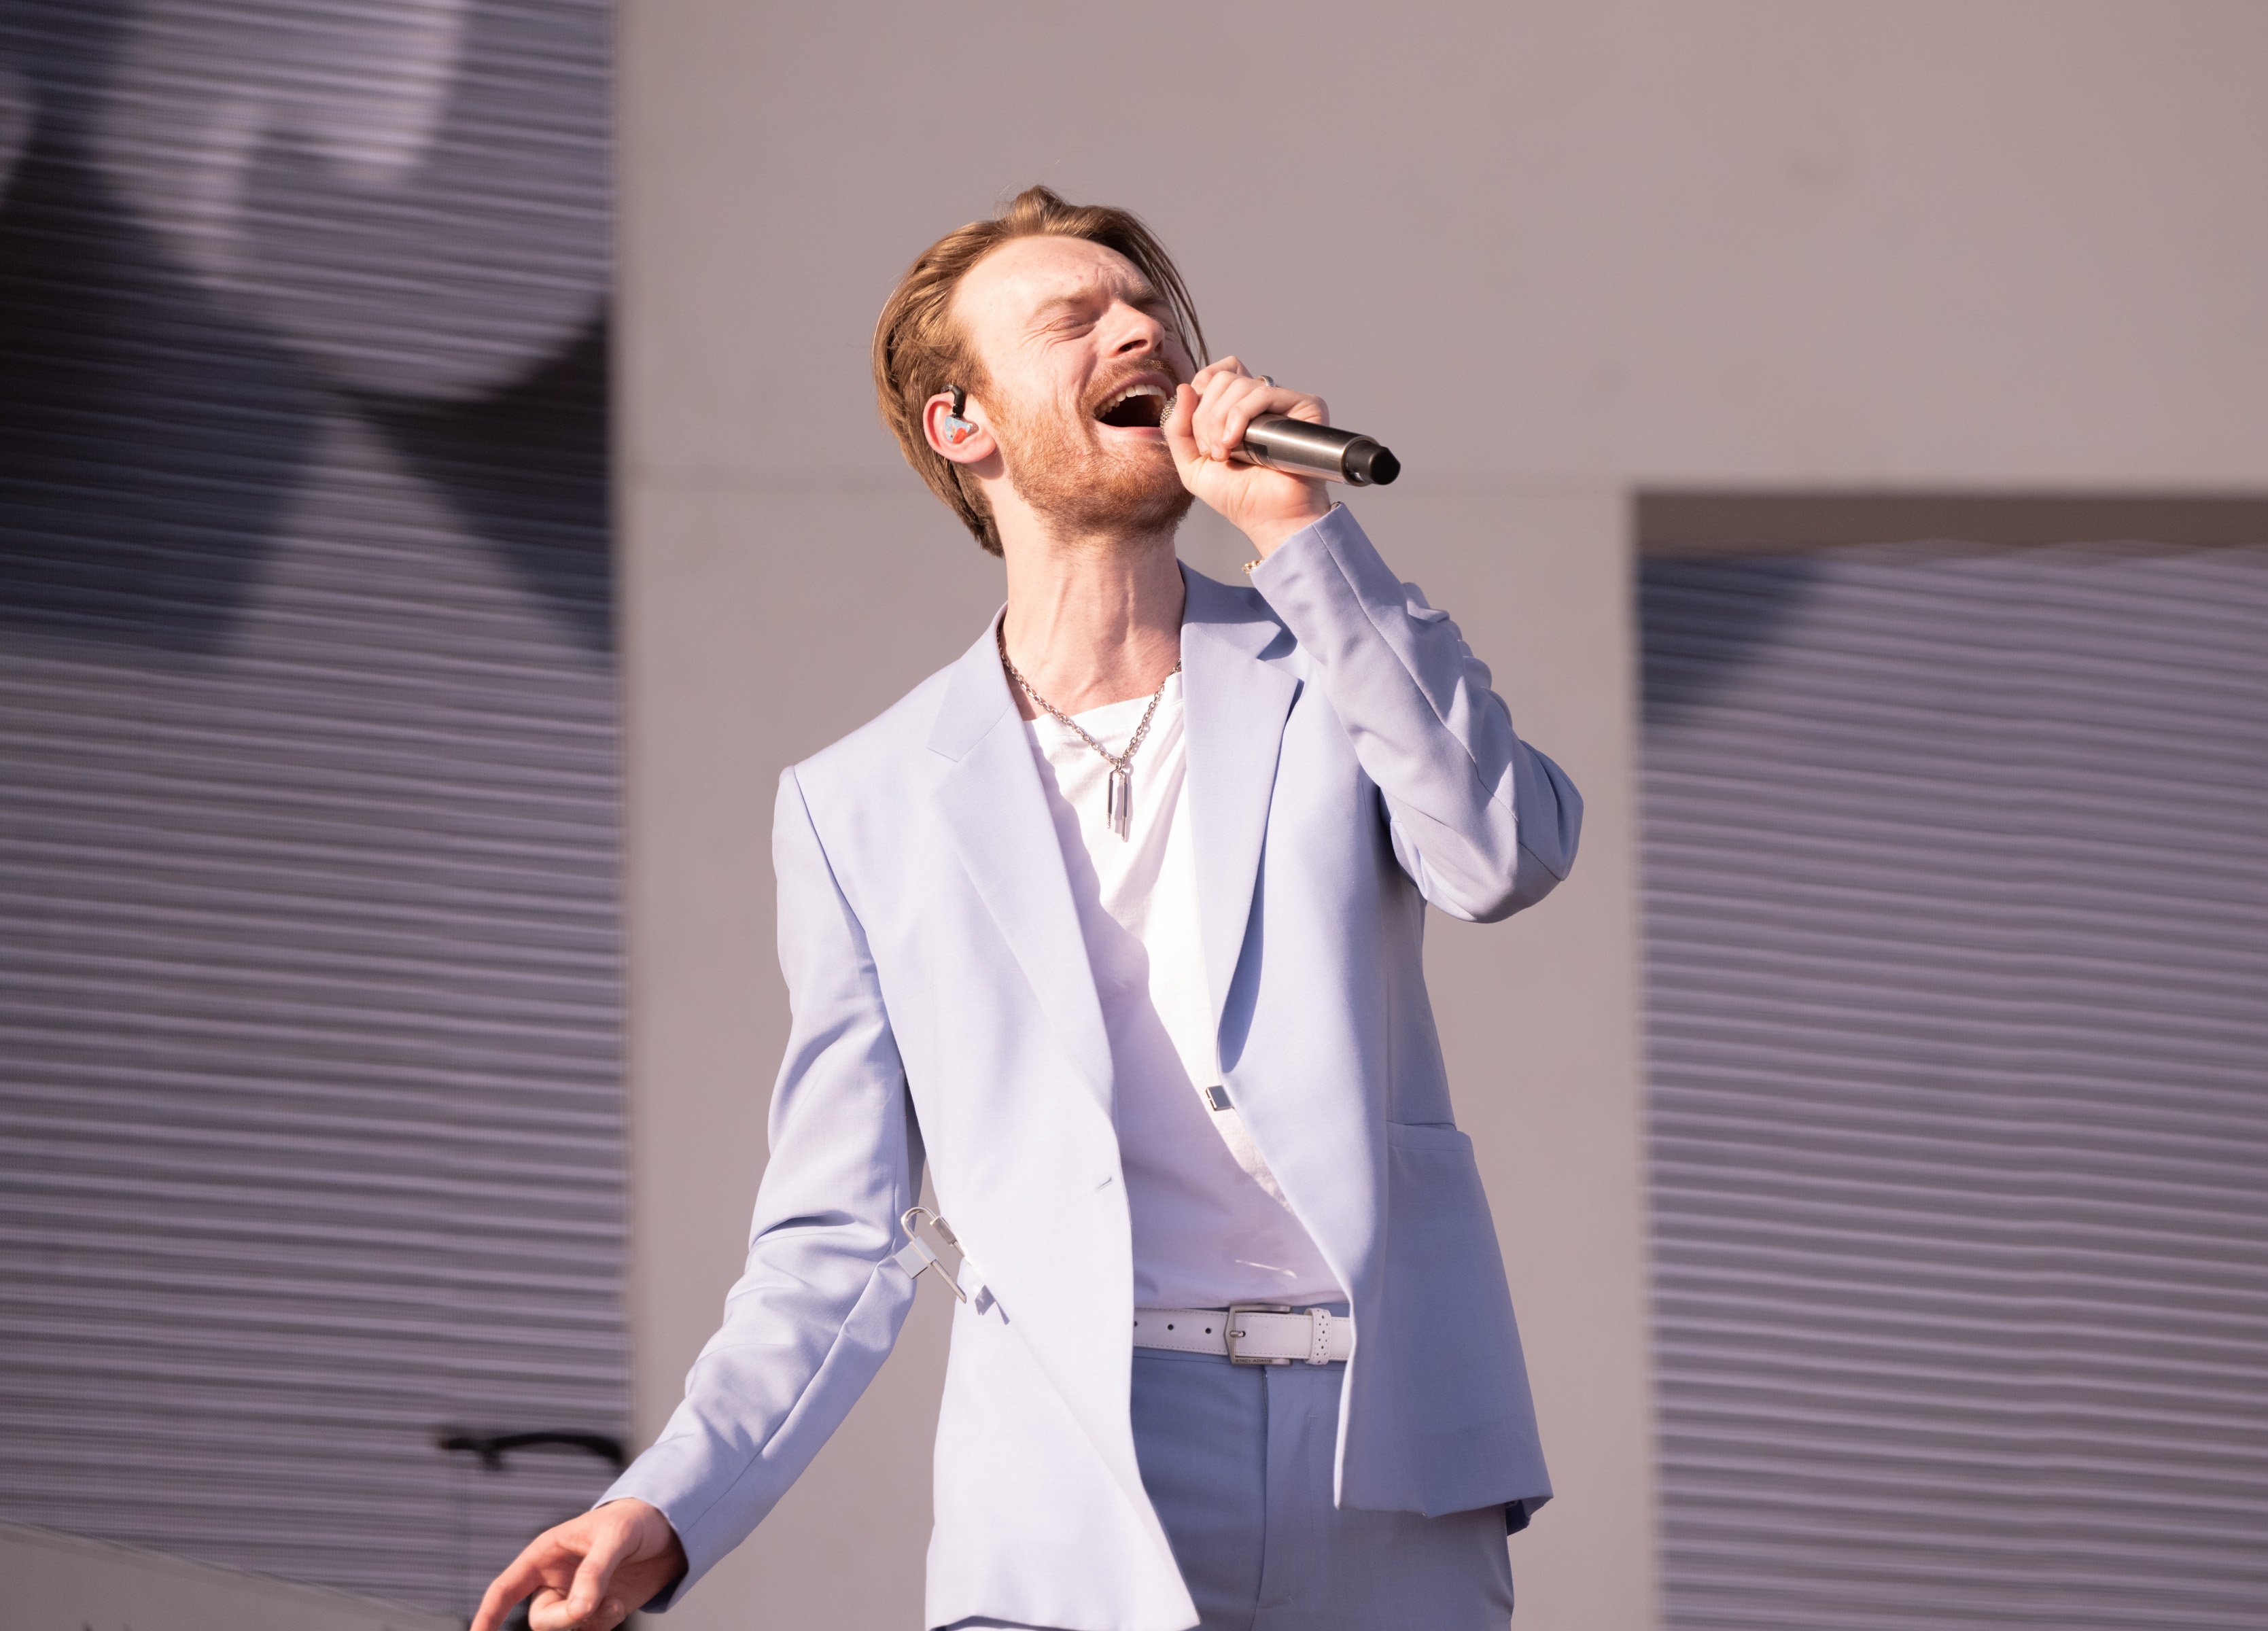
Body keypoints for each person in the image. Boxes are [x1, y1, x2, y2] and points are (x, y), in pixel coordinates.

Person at [473, 186, 1582, 1631]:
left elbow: (1504, 852)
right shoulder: (861, 804)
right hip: (1074, 1478)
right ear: (963, 425)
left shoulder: (1334, 662)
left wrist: (1306, 540)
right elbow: (837, 1238)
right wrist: (667, 1504)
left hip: (1384, 1465)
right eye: (1076, 319)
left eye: (1151, 312)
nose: (1142, 330)